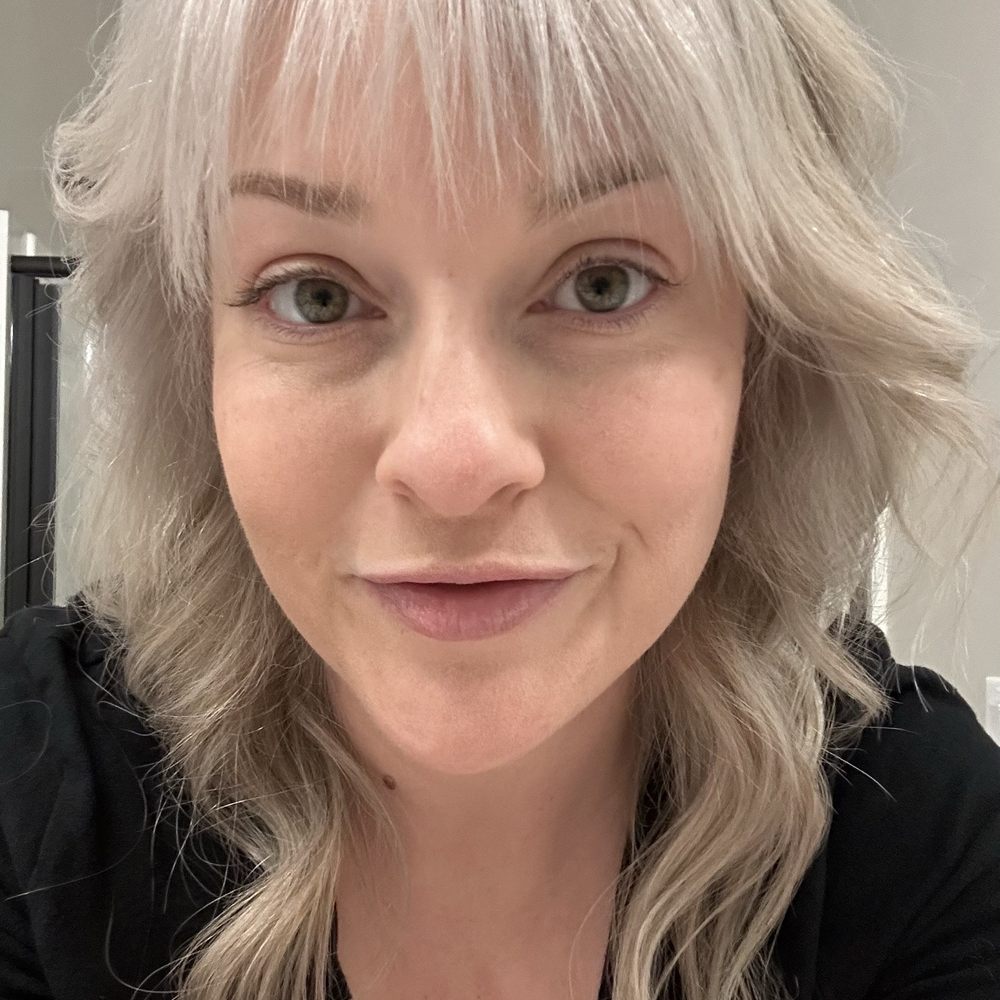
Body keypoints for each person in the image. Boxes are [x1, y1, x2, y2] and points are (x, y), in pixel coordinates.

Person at [2, 0, 999, 998]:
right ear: (199, 360)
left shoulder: (914, 838)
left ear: (765, 348)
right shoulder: (32, 794)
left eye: (603, 282)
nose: (452, 464)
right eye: (316, 294)